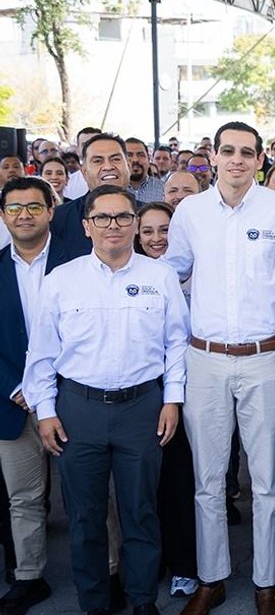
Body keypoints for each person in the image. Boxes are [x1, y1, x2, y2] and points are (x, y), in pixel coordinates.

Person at [165, 122, 275, 615]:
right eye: (227, 151)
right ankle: (212, 579)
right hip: (203, 359)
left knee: (266, 481)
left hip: (265, 359)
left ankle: (266, 583)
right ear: (214, 158)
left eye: (247, 152)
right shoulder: (189, 211)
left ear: (259, 160)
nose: (236, 159)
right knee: (208, 481)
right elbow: (172, 273)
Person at [23, 185, 188, 615]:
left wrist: (172, 401)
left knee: (140, 513)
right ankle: (93, 603)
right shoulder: (62, 280)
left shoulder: (160, 276)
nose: (113, 226)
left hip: (142, 410)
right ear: (86, 226)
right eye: (102, 218)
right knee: (85, 518)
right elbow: (40, 352)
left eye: (122, 217)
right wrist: (45, 412)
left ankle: (141, 601)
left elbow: (177, 344)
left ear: (135, 224)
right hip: (78, 410)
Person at [0, 177, 74, 614]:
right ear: (4, 215)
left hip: (69, 397)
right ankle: (28, 577)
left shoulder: (79, 261)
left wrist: (50, 385)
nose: (24, 215)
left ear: (51, 210)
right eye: (14, 208)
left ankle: (108, 569)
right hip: (11, 402)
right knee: (23, 496)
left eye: (33, 206)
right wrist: (20, 387)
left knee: (91, 494)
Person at [133, 201, 200, 598]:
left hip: (194, 386)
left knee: (183, 481)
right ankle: (151, 559)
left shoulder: (199, 274)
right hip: (146, 389)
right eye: (149, 232)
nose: (158, 239)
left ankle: (186, 564)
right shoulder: (137, 276)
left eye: (165, 230)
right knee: (145, 482)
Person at [50, 134, 133, 258]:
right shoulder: (59, 219)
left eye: (115, 159)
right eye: (98, 161)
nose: (108, 167)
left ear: (129, 166)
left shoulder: (149, 215)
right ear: (84, 172)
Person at [125, 138, 165, 204]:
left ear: (149, 160)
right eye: (129, 155)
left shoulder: (163, 189)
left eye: (141, 155)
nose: (135, 160)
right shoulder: (114, 190)